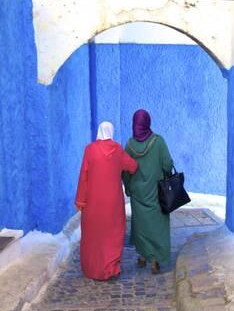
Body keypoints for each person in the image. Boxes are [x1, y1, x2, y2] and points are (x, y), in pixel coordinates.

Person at [75, 121, 138, 281]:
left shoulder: (90, 150)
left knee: (94, 235)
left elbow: (84, 176)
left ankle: (93, 269)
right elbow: (132, 166)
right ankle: (111, 268)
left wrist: (80, 200)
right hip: (113, 202)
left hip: (93, 202)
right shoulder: (117, 149)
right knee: (113, 233)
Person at [122, 109, 174, 274]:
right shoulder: (158, 142)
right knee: (157, 225)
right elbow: (167, 164)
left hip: (138, 193)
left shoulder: (129, 145)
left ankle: (143, 256)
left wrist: (129, 187)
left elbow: (124, 169)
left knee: (141, 225)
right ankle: (155, 260)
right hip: (156, 192)